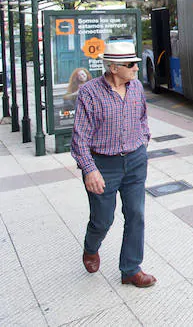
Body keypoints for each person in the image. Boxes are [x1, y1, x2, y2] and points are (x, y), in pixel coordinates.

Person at [71, 41, 156, 288]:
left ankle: (131, 269)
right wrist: (89, 169)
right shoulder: (89, 92)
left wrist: (143, 140)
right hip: (103, 165)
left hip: (135, 161)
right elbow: (80, 137)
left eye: (135, 65)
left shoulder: (137, 87)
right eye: (131, 65)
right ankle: (91, 247)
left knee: (136, 215)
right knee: (102, 219)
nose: (136, 70)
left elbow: (142, 118)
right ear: (113, 67)